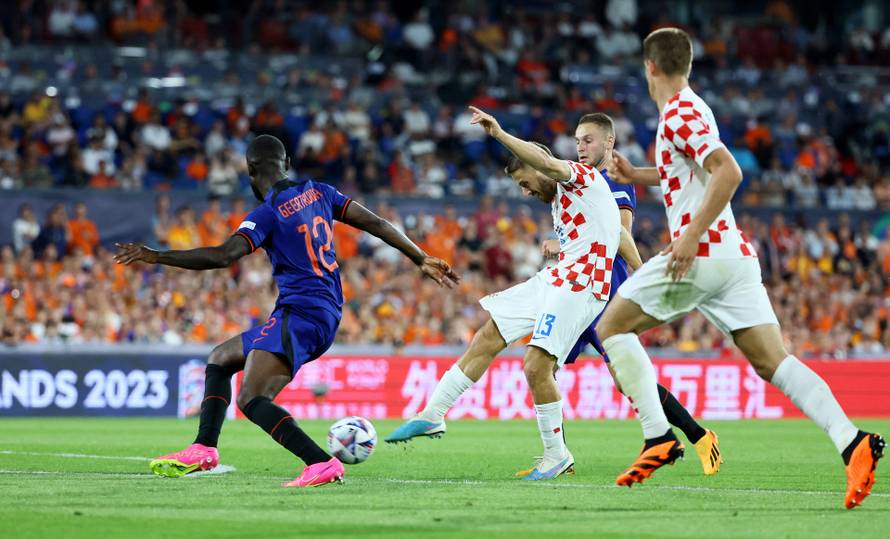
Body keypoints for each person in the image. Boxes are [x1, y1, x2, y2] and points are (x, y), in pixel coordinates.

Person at [597, 28, 882, 508]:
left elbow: (728, 172)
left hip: (700, 253)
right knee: (774, 361)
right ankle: (852, 442)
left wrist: (687, 238)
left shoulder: (679, 112)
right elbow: (690, 176)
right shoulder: (696, 107)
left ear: (650, 67)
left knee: (611, 327)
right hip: (732, 257)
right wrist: (638, 176)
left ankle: (658, 437)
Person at [114, 135, 458, 488]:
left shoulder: (268, 213)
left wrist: (156, 256)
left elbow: (223, 256)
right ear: (287, 163)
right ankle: (204, 447)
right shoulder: (321, 192)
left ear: (249, 170)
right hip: (322, 313)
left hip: (302, 313)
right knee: (221, 357)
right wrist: (420, 257)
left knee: (251, 398)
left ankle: (321, 462)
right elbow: (377, 224)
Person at [388, 107, 622, 481]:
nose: (524, 191)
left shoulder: (582, 177)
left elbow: (548, 164)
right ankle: (431, 415)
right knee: (489, 333)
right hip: (558, 277)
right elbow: (614, 234)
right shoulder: (568, 200)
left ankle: (556, 455)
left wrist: (497, 133)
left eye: (524, 182)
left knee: (535, 365)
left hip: (581, 284)